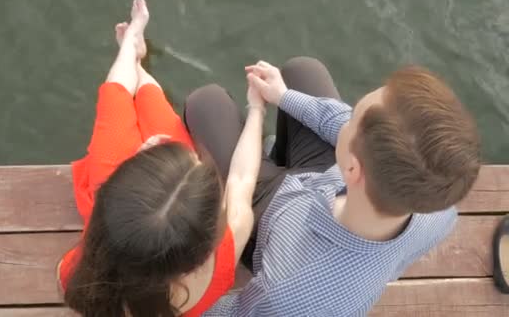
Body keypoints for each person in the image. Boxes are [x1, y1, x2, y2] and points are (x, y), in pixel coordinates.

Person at [184, 58, 481, 316]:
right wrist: (284, 96)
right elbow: (339, 124)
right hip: (327, 180)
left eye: (352, 117)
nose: (345, 117)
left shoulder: (287, 292)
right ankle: (277, 154)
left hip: (269, 218)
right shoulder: (439, 215)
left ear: (352, 167)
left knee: (206, 102)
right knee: (303, 70)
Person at [56, 0, 267, 317]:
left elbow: (113, 88)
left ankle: (131, 51)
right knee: (159, 117)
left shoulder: (84, 277)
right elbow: (241, 178)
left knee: (117, 103)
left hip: (120, 216)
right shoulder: (226, 251)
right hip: (126, 223)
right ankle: (139, 62)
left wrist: (135, 164)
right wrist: (257, 110)